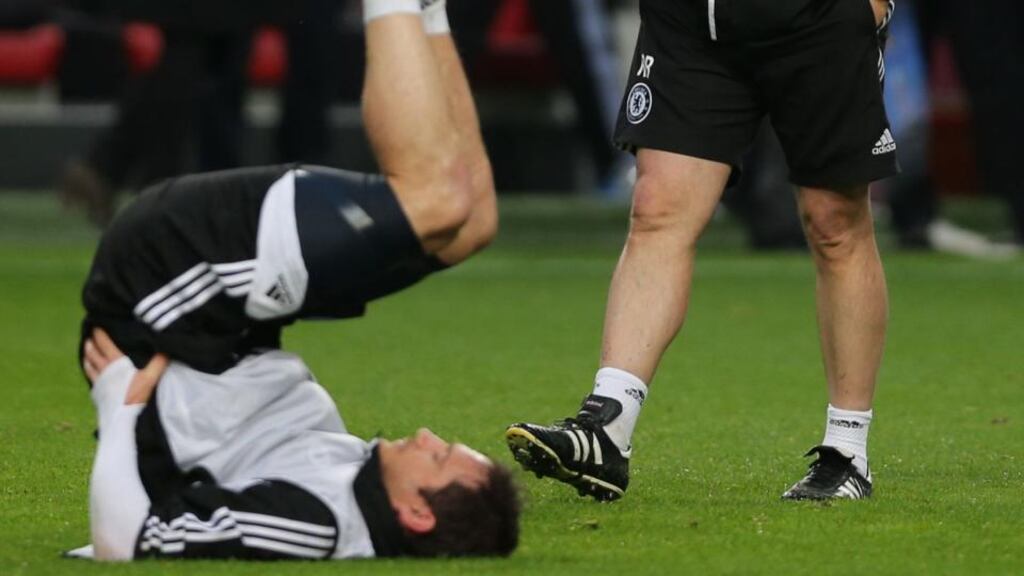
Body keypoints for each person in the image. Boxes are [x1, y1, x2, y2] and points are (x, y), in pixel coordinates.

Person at [75, 0, 518, 560]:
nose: (427, 435)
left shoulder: (318, 522)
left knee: (435, 202)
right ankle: (428, 12)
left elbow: (126, 542)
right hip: (227, 319)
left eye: (435, 457)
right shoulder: (361, 497)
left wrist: (120, 407)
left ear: (416, 513)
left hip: (162, 287)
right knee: (471, 222)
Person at [506, 0, 899, 501]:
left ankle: (846, 452)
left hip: (818, 15)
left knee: (834, 223)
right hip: (690, 18)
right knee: (657, 209)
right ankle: (608, 425)